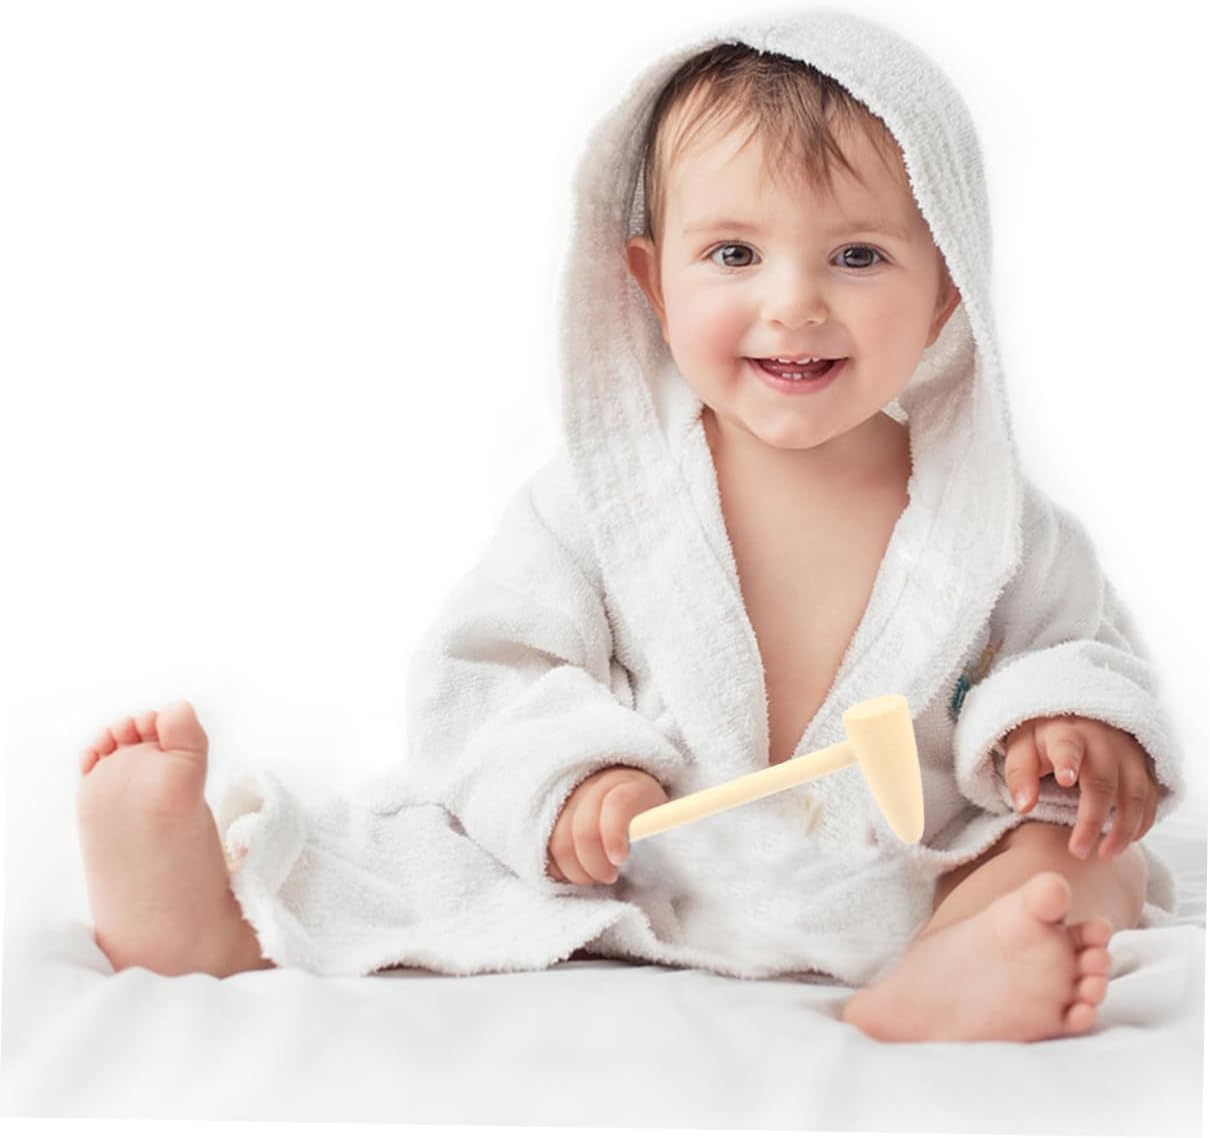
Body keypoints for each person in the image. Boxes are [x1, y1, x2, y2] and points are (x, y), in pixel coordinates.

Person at [75, 10, 1183, 1042]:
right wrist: (575, 780)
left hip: (902, 878)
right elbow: (490, 673)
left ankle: (948, 970)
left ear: (946, 288)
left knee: (1088, 861)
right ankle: (208, 919)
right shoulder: (600, 503)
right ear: (652, 282)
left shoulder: (996, 525)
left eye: (857, 256)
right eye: (735, 254)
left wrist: (1065, 724)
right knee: (423, 858)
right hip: (640, 867)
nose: (794, 302)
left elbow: (1074, 652)